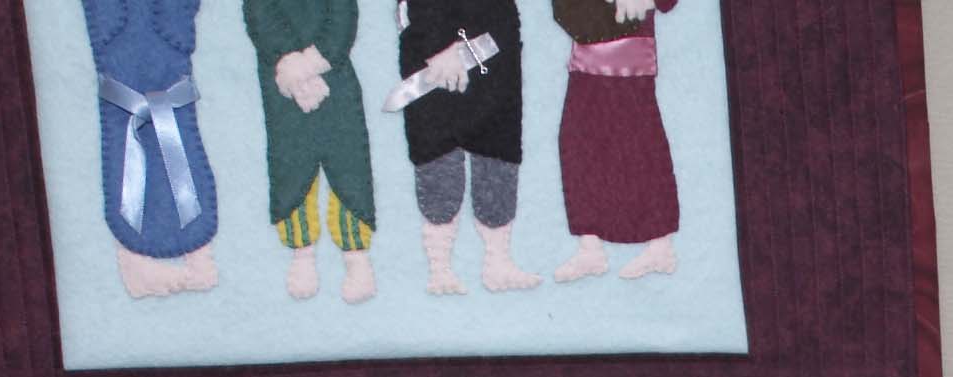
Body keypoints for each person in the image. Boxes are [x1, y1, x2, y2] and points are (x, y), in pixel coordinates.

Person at [83, 0, 222, 299]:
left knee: (183, 155)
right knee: (126, 160)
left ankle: (198, 257)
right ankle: (136, 264)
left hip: (168, 86)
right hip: (126, 97)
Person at [398, 0, 537, 294]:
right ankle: (440, 270)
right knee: (438, 162)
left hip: (494, 59)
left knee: (497, 158)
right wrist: (438, 45)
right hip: (434, 70)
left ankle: (498, 263)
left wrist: (471, 48)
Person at [245, 0, 379, 303]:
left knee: (347, 161)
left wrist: (310, 64)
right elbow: (259, 13)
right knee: (292, 165)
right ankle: (302, 253)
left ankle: (356, 256)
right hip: (281, 81)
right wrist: (287, 61)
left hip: (334, 74)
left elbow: (343, 15)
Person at [549, 0, 684, 283]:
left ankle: (660, 245)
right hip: (586, 56)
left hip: (630, 59)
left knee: (640, 146)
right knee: (579, 144)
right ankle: (590, 246)